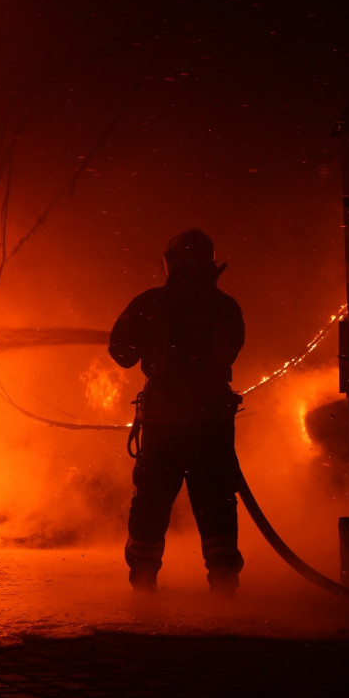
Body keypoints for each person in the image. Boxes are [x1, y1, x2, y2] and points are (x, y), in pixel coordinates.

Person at [108, 229, 246, 594]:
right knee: (216, 501)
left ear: (170, 263)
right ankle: (224, 582)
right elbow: (231, 352)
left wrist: (147, 337)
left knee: (152, 503)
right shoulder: (227, 308)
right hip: (212, 428)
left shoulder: (149, 304)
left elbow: (121, 354)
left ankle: (143, 582)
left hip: (164, 425)